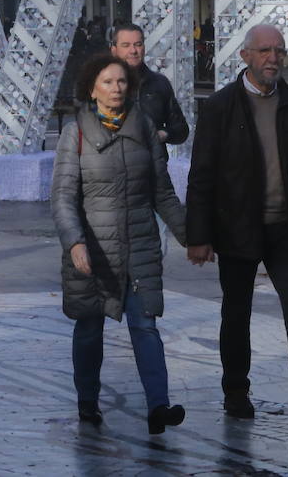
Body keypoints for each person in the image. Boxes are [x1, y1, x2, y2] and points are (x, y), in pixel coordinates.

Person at [185, 24, 288, 431]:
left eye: (280, 51)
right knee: (236, 315)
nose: (274, 58)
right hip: (237, 229)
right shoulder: (220, 107)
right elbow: (201, 175)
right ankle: (236, 391)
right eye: (266, 50)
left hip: (286, 229)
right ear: (246, 57)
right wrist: (198, 236)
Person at [52, 54, 189, 433]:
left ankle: (158, 407)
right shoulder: (75, 132)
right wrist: (75, 243)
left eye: (122, 82)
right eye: (108, 82)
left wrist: (191, 238)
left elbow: (162, 192)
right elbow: (62, 197)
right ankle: (87, 402)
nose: (116, 89)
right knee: (89, 328)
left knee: (145, 325)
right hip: (93, 251)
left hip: (139, 247)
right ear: (92, 88)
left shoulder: (144, 126)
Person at [109, 22, 189, 147]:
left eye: (138, 44)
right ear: (114, 50)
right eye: (126, 45)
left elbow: (181, 129)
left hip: (153, 161)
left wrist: (162, 135)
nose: (133, 51)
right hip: (112, 162)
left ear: (144, 48)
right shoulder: (101, 85)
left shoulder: (159, 83)